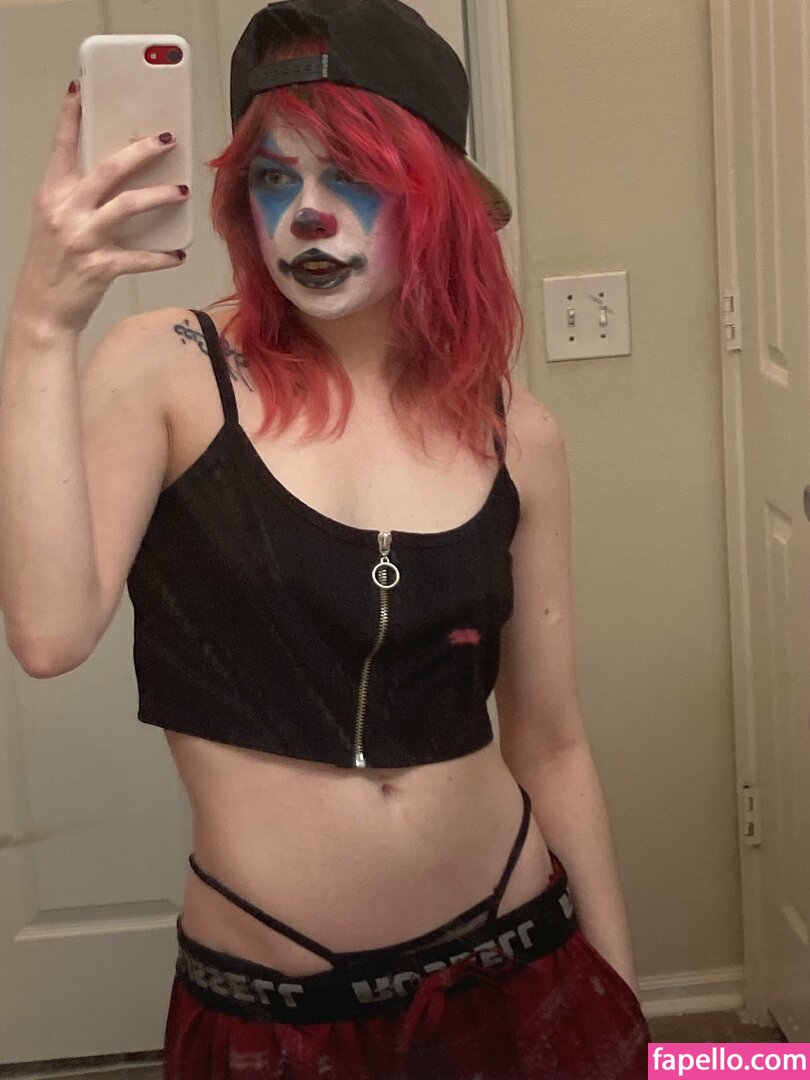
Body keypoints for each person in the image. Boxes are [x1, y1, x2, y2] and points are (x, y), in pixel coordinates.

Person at [0, 1, 651, 1076]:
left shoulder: (515, 431)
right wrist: (39, 327)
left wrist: (622, 1005)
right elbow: (48, 632)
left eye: (352, 174)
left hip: (517, 957)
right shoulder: (167, 370)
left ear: (436, 196)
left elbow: (551, 742)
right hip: (273, 1012)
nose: (306, 213)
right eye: (274, 178)